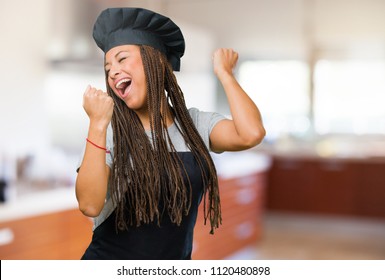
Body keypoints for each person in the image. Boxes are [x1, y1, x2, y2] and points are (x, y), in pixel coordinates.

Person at [75, 7, 265, 260]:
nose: (112, 72)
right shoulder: (108, 130)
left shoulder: (194, 125)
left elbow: (250, 134)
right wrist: (97, 124)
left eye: (121, 59)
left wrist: (225, 74)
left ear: (155, 62)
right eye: (107, 67)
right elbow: (89, 205)